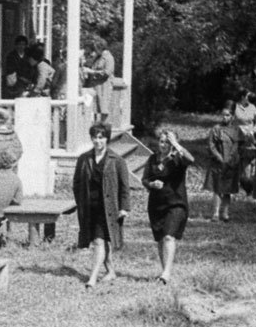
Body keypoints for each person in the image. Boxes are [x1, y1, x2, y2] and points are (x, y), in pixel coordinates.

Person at [73, 122, 130, 288]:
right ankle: (111, 271)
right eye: (95, 137)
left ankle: (92, 277)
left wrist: (124, 208)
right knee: (100, 240)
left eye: (101, 137)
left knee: (99, 240)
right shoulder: (84, 159)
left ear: (107, 139)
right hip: (90, 207)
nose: (98, 141)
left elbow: (124, 186)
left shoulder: (116, 160)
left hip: (108, 208)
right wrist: (81, 203)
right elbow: (76, 183)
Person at [143, 127, 195, 284]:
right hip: (156, 204)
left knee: (168, 236)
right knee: (160, 238)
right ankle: (164, 272)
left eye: (168, 142)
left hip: (176, 203)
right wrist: (152, 184)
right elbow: (144, 179)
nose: (164, 145)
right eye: (162, 141)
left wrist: (176, 145)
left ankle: (166, 273)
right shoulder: (153, 159)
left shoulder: (178, 159)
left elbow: (190, 159)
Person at [204, 103, 242, 222]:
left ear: (232, 117)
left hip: (231, 163)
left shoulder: (236, 129)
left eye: (227, 115)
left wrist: (231, 158)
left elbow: (237, 145)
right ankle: (215, 213)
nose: (224, 117)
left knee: (227, 189)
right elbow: (211, 145)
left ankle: (225, 213)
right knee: (217, 188)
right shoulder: (216, 129)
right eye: (223, 115)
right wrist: (219, 157)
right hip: (218, 163)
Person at [232, 91, 256, 199]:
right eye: (247, 96)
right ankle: (235, 188)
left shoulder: (252, 107)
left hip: (249, 140)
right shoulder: (235, 107)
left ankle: (247, 189)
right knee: (235, 163)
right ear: (242, 97)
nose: (249, 98)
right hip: (236, 138)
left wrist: (253, 130)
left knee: (247, 165)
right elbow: (230, 121)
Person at [82, 37, 117, 124]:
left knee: (104, 108)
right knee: (94, 107)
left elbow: (107, 72)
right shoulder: (98, 58)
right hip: (95, 86)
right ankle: (95, 125)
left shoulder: (108, 58)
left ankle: (103, 126)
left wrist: (92, 72)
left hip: (104, 87)